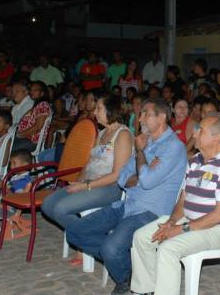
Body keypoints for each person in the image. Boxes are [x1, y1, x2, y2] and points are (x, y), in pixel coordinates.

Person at [61, 98, 186, 294]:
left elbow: (147, 181)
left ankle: (125, 275)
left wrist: (139, 155)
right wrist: (141, 170)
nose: (140, 118)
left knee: (112, 248)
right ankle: (130, 271)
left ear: (162, 117)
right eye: (141, 113)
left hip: (151, 211)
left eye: (146, 113)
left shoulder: (173, 147)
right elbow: (122, 177)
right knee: (75, 231)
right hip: (127, 205)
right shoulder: (145, 141)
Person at [130, 113, 220, 295]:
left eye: (200, 130)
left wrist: (181, 229)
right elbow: (183, 199)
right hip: (189, 220)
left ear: (217, 138)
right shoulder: (195, 161)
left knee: (168, 248)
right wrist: (172, 220)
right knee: (141, 237)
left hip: (219, 230)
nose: (194, 133)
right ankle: (147, 289)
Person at [42, 94, 132, 237]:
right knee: (47, 205)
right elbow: (89, 163)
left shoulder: (123, 135)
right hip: (88, 183)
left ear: (111, 110)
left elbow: (117, 175)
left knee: (60, 209)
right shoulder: (102, 133)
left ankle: (89, 239)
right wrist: (79, 180)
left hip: (110, 187)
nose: (95, 112)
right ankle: (88, 233)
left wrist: (85, 186)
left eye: (99, 108)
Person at [12, 81, 52, 152]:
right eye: (31, 90)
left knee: (5, 149)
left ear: (42, 93)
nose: (31, 92)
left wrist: (19, 135)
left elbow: (37, 127)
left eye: (35, 90)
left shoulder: (43, 105)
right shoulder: (36, 106)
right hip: (24, 138)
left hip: (31, 141)